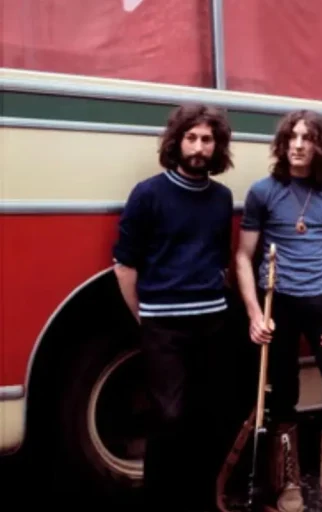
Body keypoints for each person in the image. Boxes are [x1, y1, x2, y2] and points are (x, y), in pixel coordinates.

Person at [235, 109, 322, 512]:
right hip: (276, 303)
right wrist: (253, 313)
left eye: (307, 138)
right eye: (292, 137)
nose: (299, 144)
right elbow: (244, 257)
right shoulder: (262, 192)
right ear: (283, 145)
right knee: (281, 396)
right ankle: (288, 486)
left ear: (320, 147)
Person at [112, 104, 235, 510]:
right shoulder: (148, 194)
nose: (199, 147)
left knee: (207, 419)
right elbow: (124, 266)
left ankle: (199, 500)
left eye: (207, 140)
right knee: (169, 419)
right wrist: (143, 317)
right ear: (177, 142)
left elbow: (221, 261)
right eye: (192, 138)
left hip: (213, 323)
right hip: (164, 327)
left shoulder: (221, 198)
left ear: (217, 147)